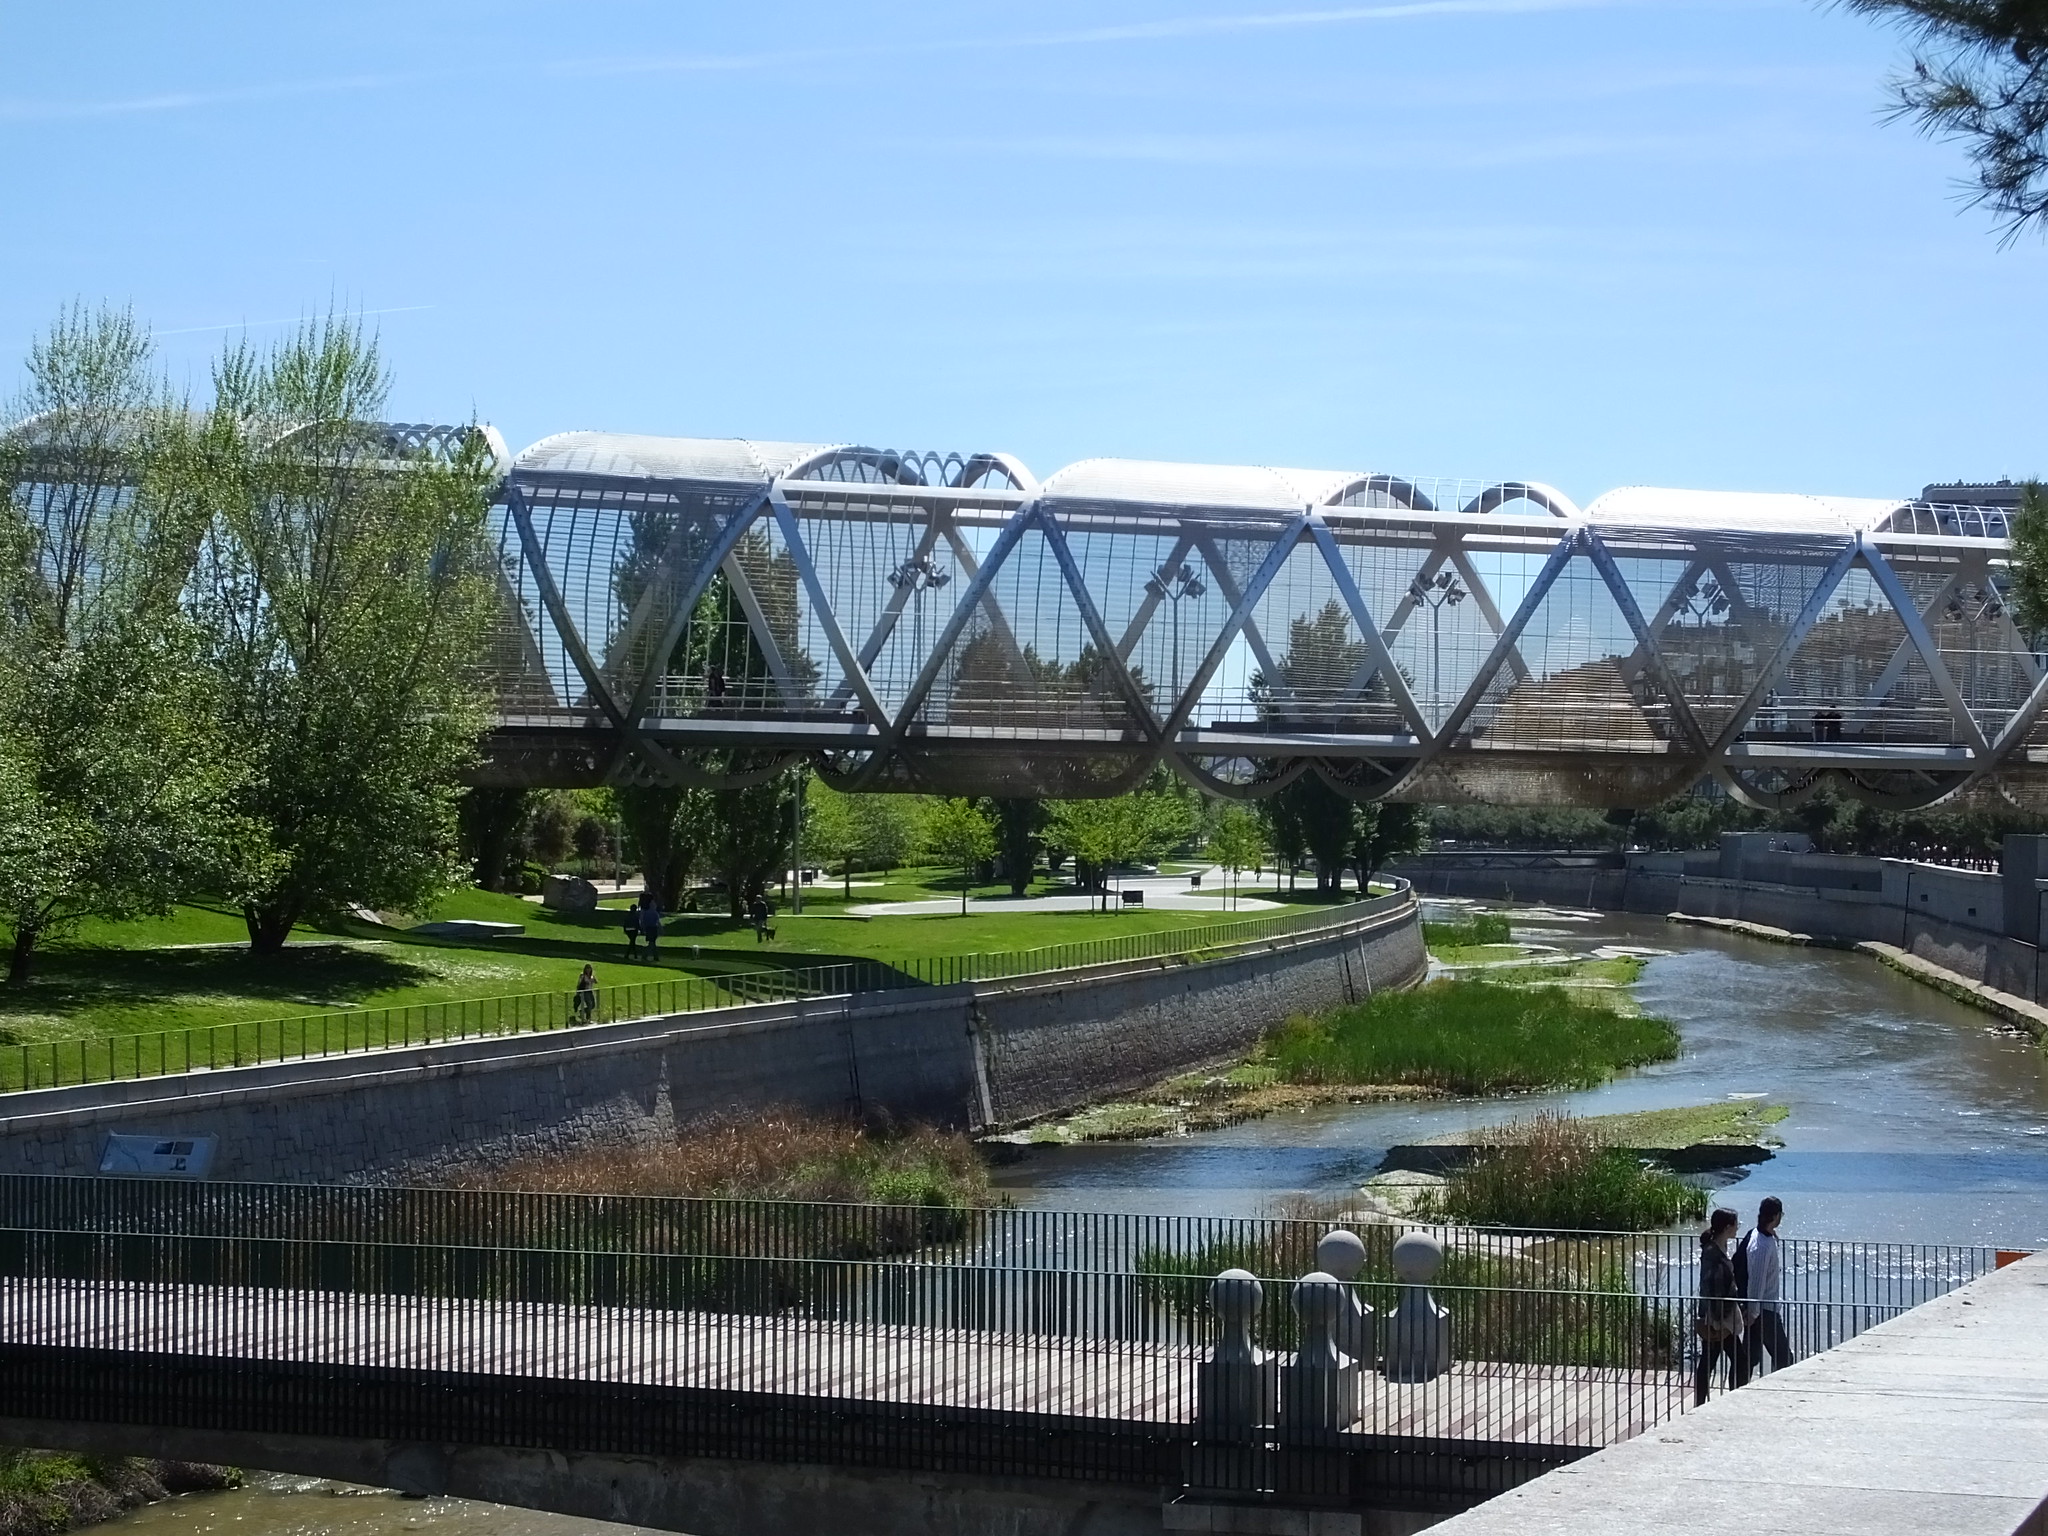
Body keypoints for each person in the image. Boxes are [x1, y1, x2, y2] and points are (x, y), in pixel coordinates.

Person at [1694, 1207, 1749, 1405]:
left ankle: (1701, 1403)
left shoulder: (1717, 1248)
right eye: (1736, 1224)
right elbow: (1713, 1290)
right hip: (1718, 1318)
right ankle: (1734, 1400)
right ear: (1727, 1227)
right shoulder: (1713, 1254)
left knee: (1710, 1361)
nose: (1737, 1228)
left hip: (1718, 1316)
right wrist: (1720, 1322)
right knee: (1738, 1360)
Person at [1740, 1197, 1795, 1375]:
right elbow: (1757, 1280)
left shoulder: (1760, 1235)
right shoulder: (1763, 1245)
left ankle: (1737, 1389)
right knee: (1784, 1357)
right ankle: (1778, 1391)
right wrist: (1753, 1312)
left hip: (1759, 1310)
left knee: (1749, 1358)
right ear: (1776, 1216)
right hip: (1764, 1311)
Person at [639, 893, 663, 960]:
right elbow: (658, 922)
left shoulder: (646, 912)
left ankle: (655, 956)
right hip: (653, 928)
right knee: (652, 943)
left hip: (649, 928)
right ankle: (646, 955)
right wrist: (661, 929)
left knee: (652, 943)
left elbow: (643, 921)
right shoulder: (654, 913)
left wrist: (643, 928)